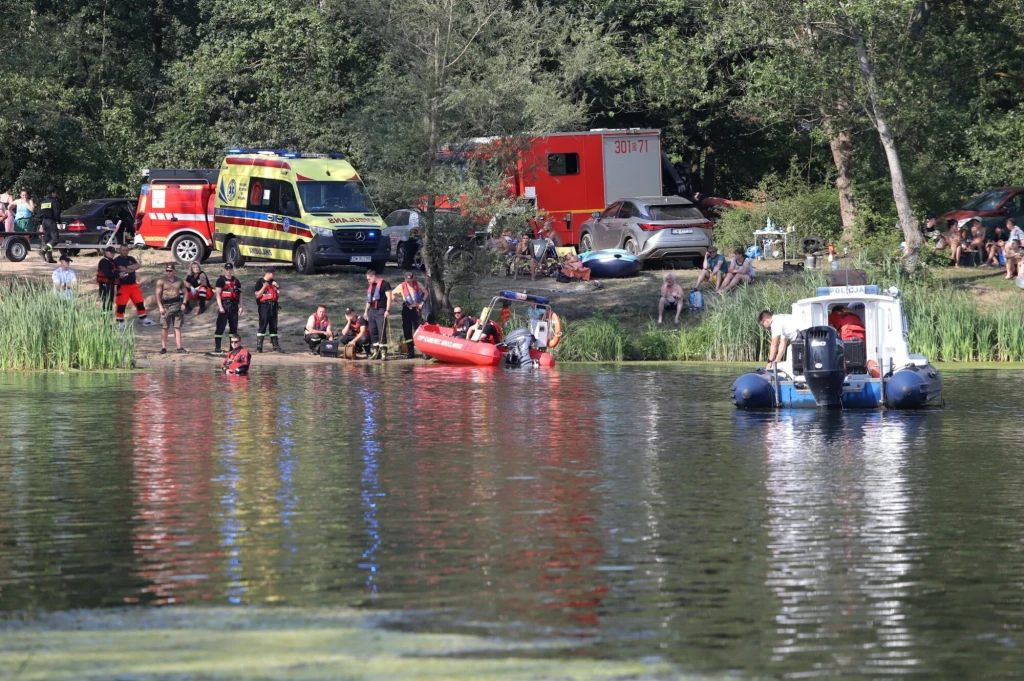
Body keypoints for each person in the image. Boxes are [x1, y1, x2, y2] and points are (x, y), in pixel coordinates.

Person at [113, 244, 155, 329]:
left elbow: (137, 266)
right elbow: (121, 269)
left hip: (133, 285)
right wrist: (131, 268)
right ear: (120, 250)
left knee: (139, 302)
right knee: (121, 304)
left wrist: (128, 267)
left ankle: (144, 319)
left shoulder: (131, 258)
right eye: (123, 250)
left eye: (126, 250)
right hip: (123, 285)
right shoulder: (117, 260)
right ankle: (120, 322)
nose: (125, 251)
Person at [155, 263, 187, 354]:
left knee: (177, 327)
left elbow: (185, 292)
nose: (168, 272)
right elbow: (157, 294)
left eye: (170, 271)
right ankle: (164, 348)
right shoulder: (162, 281)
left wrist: (184, 303)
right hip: (166, 306)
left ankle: (179, 347)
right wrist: (160, 307)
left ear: (174, 271)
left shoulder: (179, 281)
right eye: (167, 270)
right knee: (165, 327)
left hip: (177, 305)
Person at [213, 262, 243, 354]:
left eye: (230, 269)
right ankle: (217, 347)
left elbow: (240, 294)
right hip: (224, 304)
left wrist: (241, 306)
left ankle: (232, 348)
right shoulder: (220, 280)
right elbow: (218, 294)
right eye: (227, 269)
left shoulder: (236, 281)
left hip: (234, 305)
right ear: (224, 270)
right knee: (220, 327)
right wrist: (220, 306)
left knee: (233, 328)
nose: (229, 271)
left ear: (232, 270)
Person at [363, 270, 392, 359]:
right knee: (373, 331)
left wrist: (387, 310)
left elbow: (389, 298)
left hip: (381, 310)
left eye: (369, 279)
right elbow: (369, 300)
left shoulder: (385, 284)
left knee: (381, 331)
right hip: (372, 311)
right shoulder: (371, 286)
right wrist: (366, 311)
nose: (368, 281)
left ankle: (383, 352)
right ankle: (375, 351)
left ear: (373, 276)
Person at [396, 271, 425, 358]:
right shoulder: (401, 286)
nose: (410, 282)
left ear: (413, 278)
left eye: (411, 280)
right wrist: (400, 302)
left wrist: (422, 302)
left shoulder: (418, 284)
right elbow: (392, 294)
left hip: (416, 310)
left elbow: (426, 293)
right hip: (406, 310)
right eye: (408, 280)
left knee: (419, 330)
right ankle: (411, 352)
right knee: (407, 331)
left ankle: (423, 352)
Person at [254, 267, 282, 353]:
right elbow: (257, 295)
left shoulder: (274, 282)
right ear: (268, 273)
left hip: (273, 306)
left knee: (274, 326)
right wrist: (264, 287)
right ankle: (259, 347)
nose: (274, 275)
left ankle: (275, 346)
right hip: (264, 306)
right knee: (263, 325)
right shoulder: (259, 282)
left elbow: (279, 295)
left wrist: (277, 287)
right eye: (273, 274)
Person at [38, 187, 61, 263]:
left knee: (48, 240)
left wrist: (41, 224)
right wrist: (59, 222)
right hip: (51, 222)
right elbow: (57, 213)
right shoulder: (54, 202)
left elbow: (40, 214)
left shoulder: (43, 202)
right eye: (55, 193)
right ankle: (43, 251)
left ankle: (49, 258)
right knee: (55, 239)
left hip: (44, 222)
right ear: (52, 193)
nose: (56, 194)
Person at [95, 246, 118, 310]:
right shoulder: (103, 262)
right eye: (111, 252)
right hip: (105, 285)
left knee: (110, 302)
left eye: (113, 253)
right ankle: (105, 318)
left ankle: (108, 317)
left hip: (111, 284)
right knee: (106, 302)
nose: (112, 254)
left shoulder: (112, 261)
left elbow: (115, 271)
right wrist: (118, 274)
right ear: (106, 252)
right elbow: (108, 273)